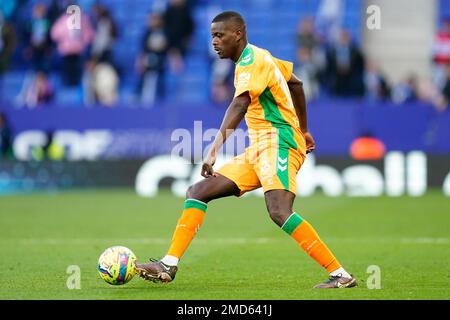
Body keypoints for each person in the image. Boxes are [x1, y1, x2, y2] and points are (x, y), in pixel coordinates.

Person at [136, 11, 357, 289]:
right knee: (198, 192)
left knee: (278, 211)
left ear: (237, 34)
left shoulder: (252, 62)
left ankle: (340, 274)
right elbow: (296, 84)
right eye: (212, 36)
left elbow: (239, 105)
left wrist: (214, 149)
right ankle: (168, 264)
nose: (214, 42)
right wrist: (305, 127)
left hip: (279, 143)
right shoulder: (261, 57)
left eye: (219, 35)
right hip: (260, 148)